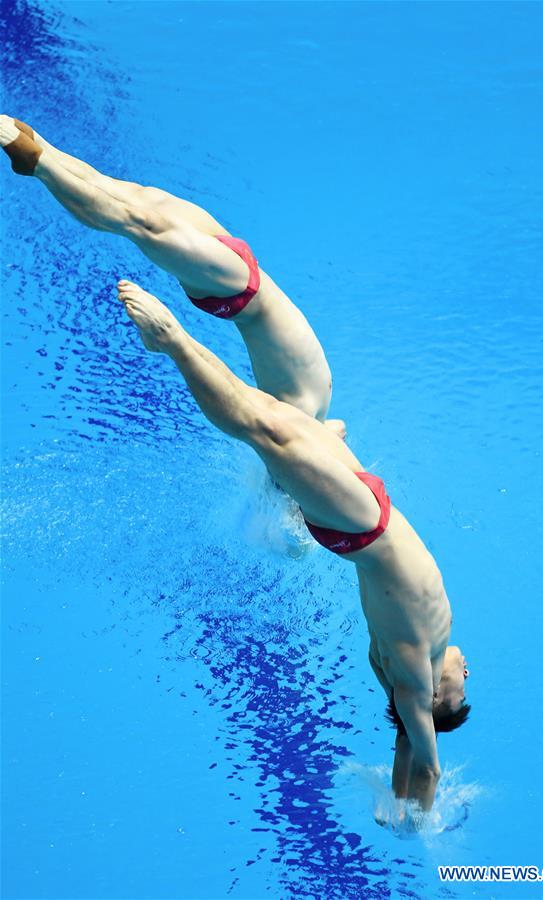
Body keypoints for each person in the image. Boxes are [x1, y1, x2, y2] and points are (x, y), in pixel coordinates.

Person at [113, 277, 471, 814]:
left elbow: (426, 763)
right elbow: (407, 742)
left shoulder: (412, 675)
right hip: (365, 510)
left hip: (362, 522)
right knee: (282, 420)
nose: (468, 675)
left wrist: (416, 820)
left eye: (461, 695)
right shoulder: (409, 671)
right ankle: (281, 486)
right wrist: (400, 783)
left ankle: (173, 342)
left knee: (261, 426)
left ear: (434, 701)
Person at [0, 115, 335, 424]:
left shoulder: (296, 423)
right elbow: (334, 430)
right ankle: (39, 149)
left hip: (239, 285)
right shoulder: (310, 427)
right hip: (239, 280)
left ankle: (36, 156)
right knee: (132, 205)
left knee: (137, 217)